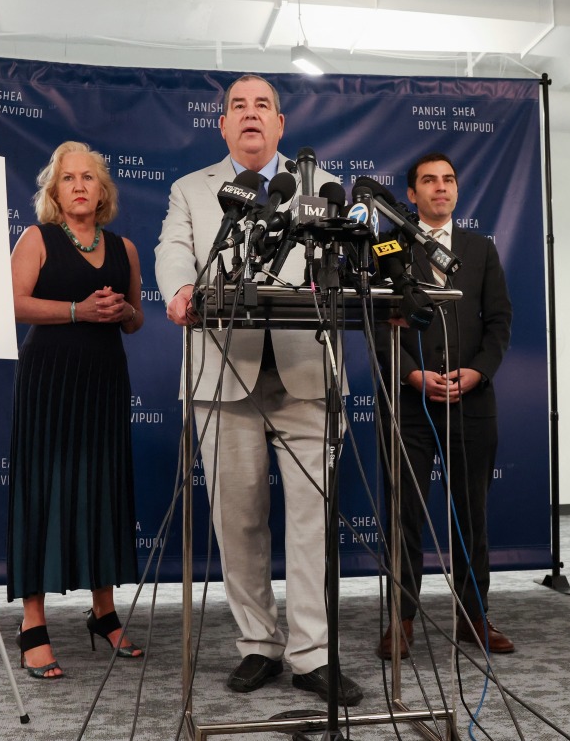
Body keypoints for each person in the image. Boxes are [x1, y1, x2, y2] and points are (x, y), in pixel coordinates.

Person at [155, 74, 364, 705]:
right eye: (237, 107)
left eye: (263, 106)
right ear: (222, 125)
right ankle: (258, 646)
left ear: (280, 125)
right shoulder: (192, 188)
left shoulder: (322, 188)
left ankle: (312, 654)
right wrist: (180, 291)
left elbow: (350, 260)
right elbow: (174, 250)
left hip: (307, 373)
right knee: (238, 520)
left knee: (310, 521)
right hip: (224, 373)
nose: (250, 115)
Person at [6, 141, 145, 679]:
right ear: (54, 191)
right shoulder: (36, 238)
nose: (81, 185)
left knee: (102, 489)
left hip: (104, 379)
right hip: (50, 380)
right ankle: (32, 623)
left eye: (90, 177)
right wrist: (78, 310)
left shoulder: (124, 247)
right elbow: (15, 303)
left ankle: (103, 612)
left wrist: (124, 310)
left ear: (103, 189)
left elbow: (134, 320)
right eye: (69, 178)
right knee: (42, 491)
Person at [376, 153, 514, 658]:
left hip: (472, 400)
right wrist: (413, 375)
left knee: (471, 515)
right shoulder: (387, 249)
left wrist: (476, 372)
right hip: (409, 402)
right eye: (429, 181)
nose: (441, 188)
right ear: (410, 195)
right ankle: (401, 619)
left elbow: (500, 322)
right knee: (404, 515)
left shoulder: (480, 249)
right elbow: (376, 323)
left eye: (449, 180)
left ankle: (473, 617)